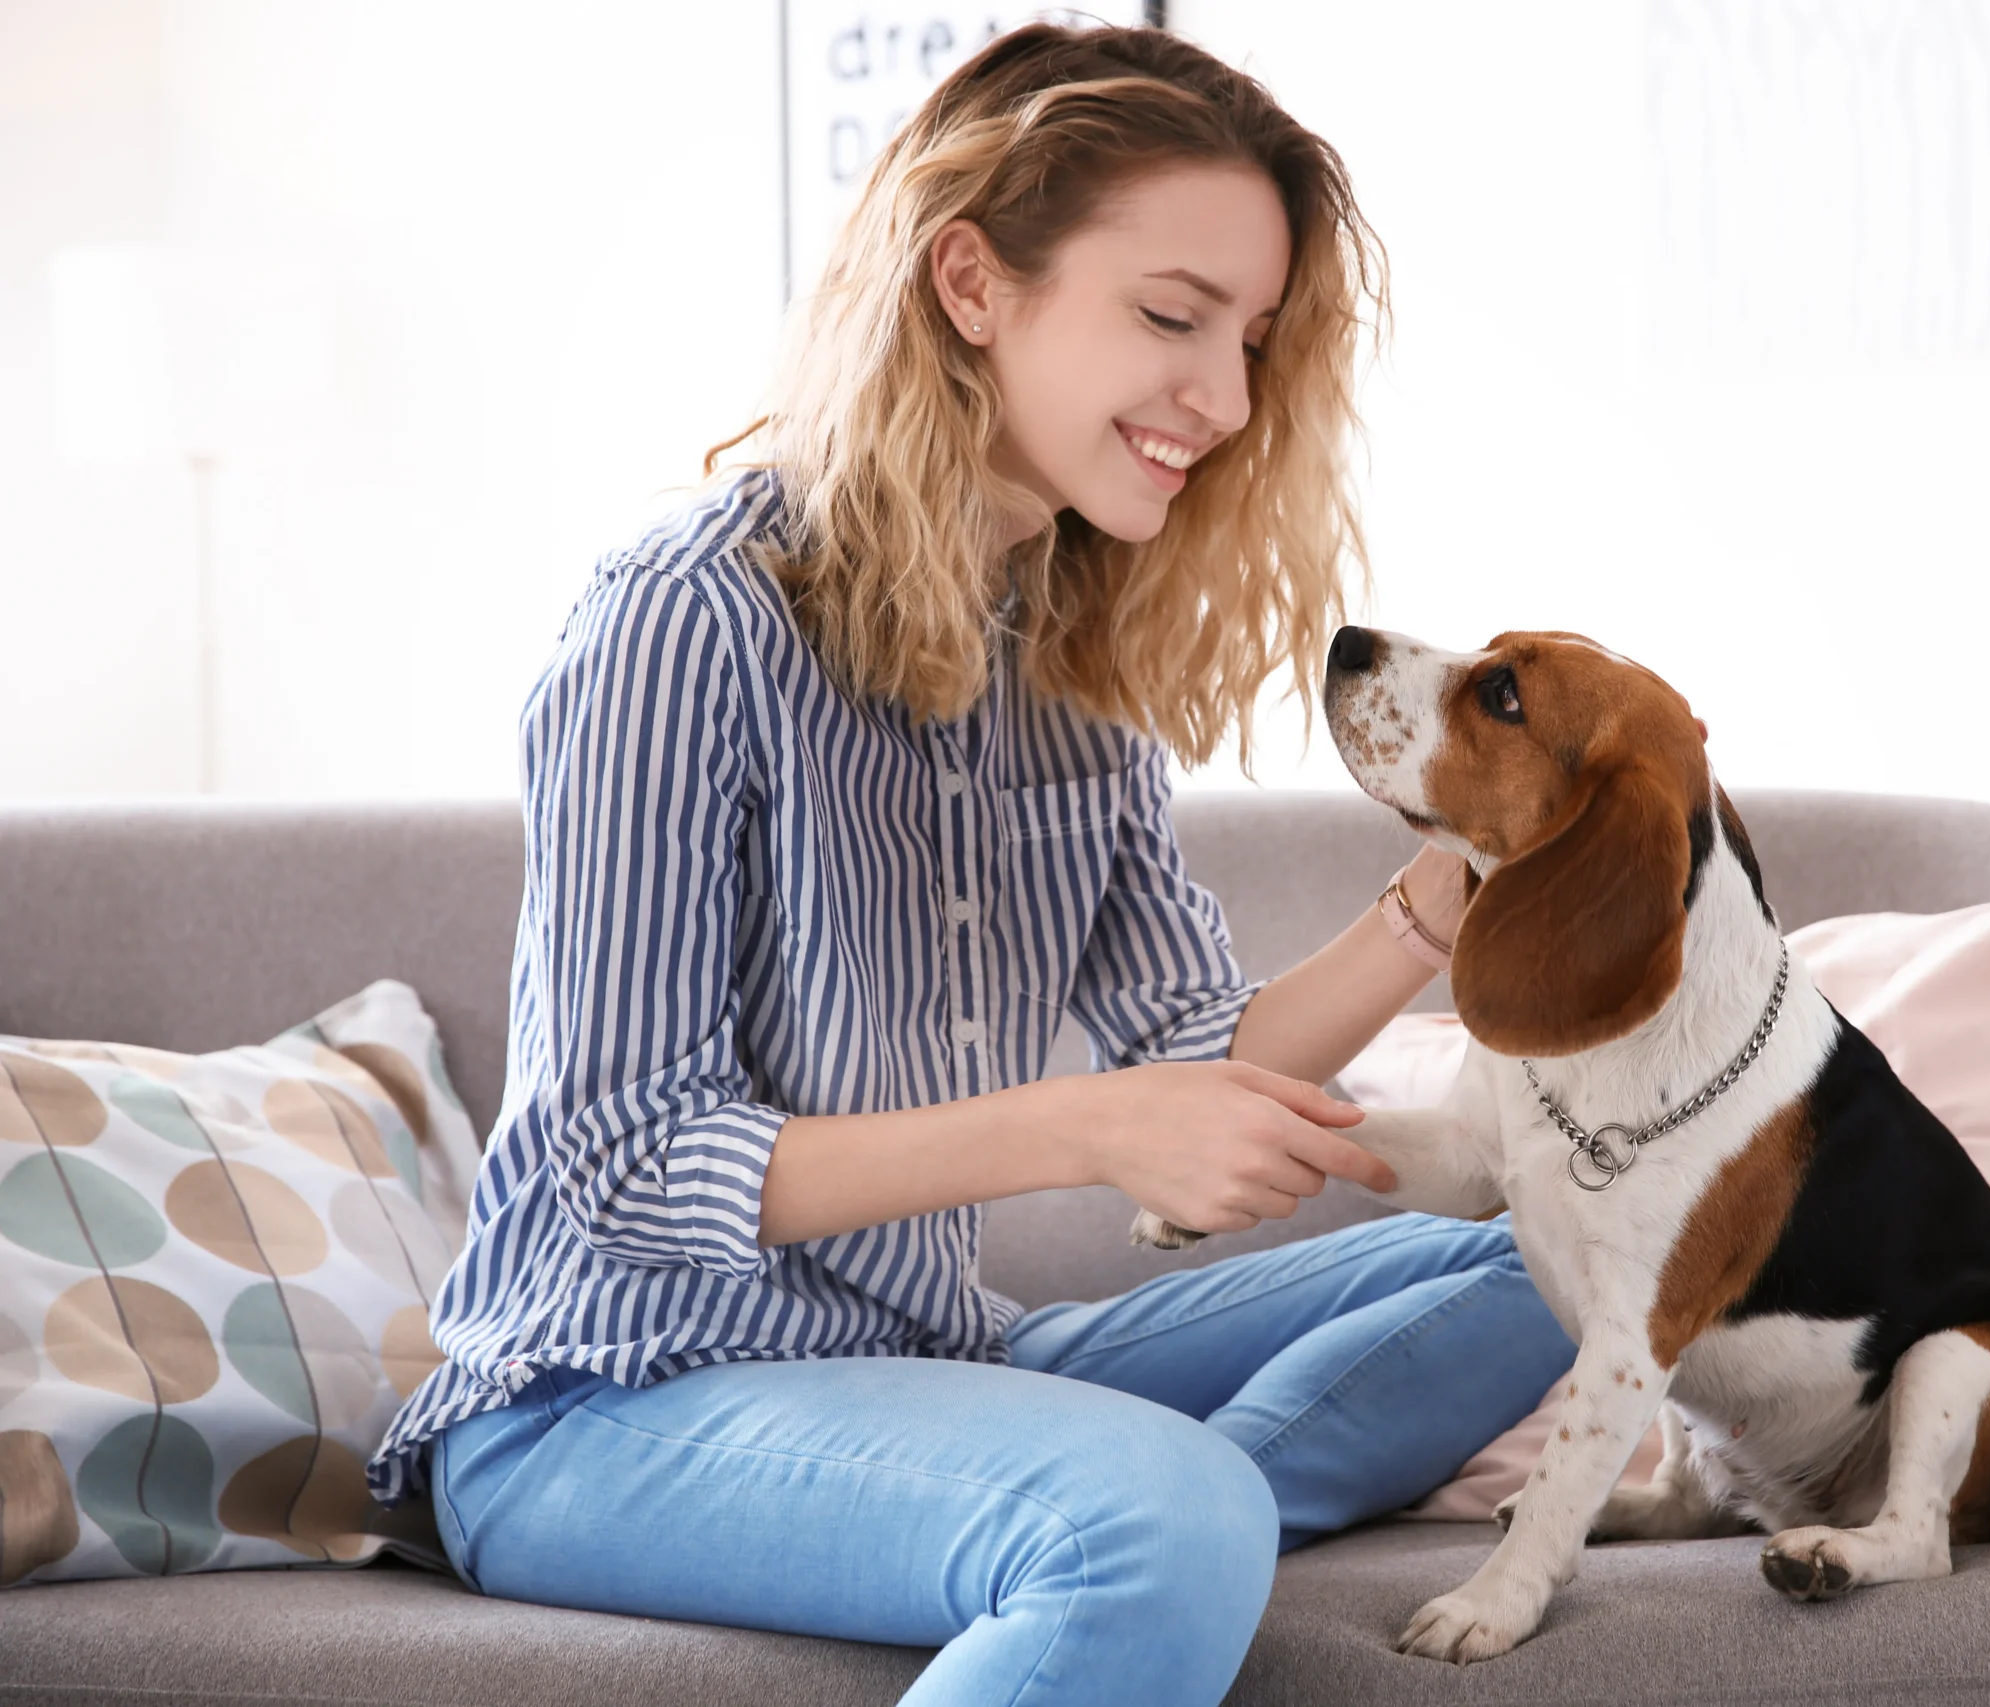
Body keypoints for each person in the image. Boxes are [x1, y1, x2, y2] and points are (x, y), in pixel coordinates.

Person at [365, 22, 1575, 1707]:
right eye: (1170, 318)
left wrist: (1452, 887)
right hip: (599, 1402)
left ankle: (1062, 1512)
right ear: (970, 281)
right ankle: (1124, 1523)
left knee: (1572, 1252)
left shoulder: (1065, 662)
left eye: (1251, 342)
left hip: (926, 1359)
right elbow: (623, 1161)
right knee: (1163, 1518)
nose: (1223, 403)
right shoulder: (680, 620)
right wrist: (1085, 1127)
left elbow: (1192, 1063)